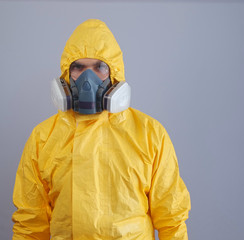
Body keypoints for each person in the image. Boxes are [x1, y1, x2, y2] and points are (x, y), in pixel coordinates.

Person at [12, 19, 191, 240]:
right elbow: (30, 225)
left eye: (100, 67)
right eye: (78, 67)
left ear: (114, 74)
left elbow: (172, 221)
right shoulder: (43, 138)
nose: (89, 79)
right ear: (66, 76)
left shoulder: (149, 134)